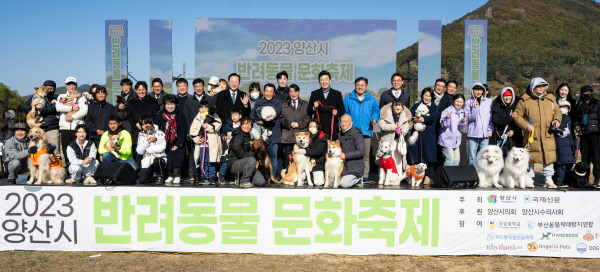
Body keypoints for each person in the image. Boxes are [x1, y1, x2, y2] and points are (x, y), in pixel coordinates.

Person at [514, 77, 561, 188]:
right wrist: (525, 125)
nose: (541, 88)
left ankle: (549, 180)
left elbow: (558, 111)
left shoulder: (550, 99)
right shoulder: (524, 100)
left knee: (548, 157)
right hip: (531, 135)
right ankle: (529, 179)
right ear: (532, 87)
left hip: (547, 134)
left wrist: (557, 120)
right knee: (530, 158)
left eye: (543, 85)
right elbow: (517, 116)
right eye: (538, 86)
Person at [343, 77, 380, 183]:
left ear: (366, 86)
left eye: (362, 85)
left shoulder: (371, 99)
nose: (360, 87)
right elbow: (345, 113)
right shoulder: (348, 99)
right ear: (355, 86)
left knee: (365, 155)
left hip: (366, 131)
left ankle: (364, 176)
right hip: (352, 132)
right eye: (358, 85)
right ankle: (351, 174)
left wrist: (374, 118)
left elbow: (376, 111)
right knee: (351, 154)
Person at [183, 78, 216, 181]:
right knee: (195, 155)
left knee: (209, 156)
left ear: (204, 87)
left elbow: (214, 116)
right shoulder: (189, 101)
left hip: (209, 133)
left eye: (200, 86)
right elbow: (187, 118)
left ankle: (210, 175)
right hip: (195, 133)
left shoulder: (210, 99)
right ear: (193, 88)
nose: (198, 88)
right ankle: (196, 175)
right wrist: (191, 133)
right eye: (196, 86)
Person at [154, 95, 187, 185]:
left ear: (176, 104)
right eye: (168, 104)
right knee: (168, 158)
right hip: (165, 141)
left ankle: (177, 175)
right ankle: (169, 175)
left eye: (172, 104)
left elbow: (183, 131)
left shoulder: (180, 115)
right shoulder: (161, 114)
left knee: (177, 157)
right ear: (164, 105)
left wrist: (178, 144)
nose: (170, 106)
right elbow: (155, 127)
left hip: (178, 140)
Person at [23, 80, 60, 158]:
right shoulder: (35, 97)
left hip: (51, 128)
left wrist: (40, 111)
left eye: (52, 88)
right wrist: (35, 107)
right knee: (37, 153)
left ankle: (56, 168)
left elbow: (54, 108)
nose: (49, 90)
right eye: (47, 88)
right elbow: (25, 107)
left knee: (54, 152)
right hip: (37, 130)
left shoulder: (57, 97)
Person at [251, 83, 282, 177]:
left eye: (271, 91)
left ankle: (273, 176)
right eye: (267, 91)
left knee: (273, 156)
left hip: (274, 133)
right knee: (261, 155)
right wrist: (256, 119)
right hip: (260, 134)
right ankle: (262, 176)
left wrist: (263, 122)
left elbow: (274, 116)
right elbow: (252, 115)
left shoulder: (278, 103)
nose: (268, 93)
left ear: (274, 93)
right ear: (264, 92)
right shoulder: (258, 102)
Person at [56, 76, 89, 164]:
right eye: (69, 85)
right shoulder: (61, 96)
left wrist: (72, 117)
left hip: (77, 127)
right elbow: (58, 107)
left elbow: (84, 111)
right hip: (65, 128)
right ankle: (68, 168)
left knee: (78, 149)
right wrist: (71, 108)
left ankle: (80, 168)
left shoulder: (81, 97)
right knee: (66, 149)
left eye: (73, 85)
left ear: (76, 86)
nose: (71, 87)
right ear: (66, 86)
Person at [572, 85, 600, 186]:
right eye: (587, 92)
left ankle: (597, 179)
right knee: (585, 159)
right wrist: (576, 126)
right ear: (582, 93)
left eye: (591, 92)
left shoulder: (597, 103)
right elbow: (574, 119)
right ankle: (585, 179)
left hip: (595, 134)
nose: (589, 94)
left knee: (597, 158)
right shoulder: (578, 105)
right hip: (583, 135)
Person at [190, 101, 222, 185]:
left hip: (212, 144)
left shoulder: (214, 115)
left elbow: (218, 125)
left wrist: (208, 127)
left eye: (205, 107)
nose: (203, 109)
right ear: (198, 109)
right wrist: (198, 139)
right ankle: (203, 176)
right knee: (202, 161)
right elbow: (192, 131)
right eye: (201, 108)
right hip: (201, 145)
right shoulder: (197, 118)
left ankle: (212, 176)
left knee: (211, 161)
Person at [280, 84, 310, 171]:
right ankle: (288, 176)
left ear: (298, 93)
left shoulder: (305, 104)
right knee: (288, 159)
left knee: (302, 159)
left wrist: (299, 124)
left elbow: (308, 117)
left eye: (295, 92)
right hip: (287, 137)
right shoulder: (283, 105)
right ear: (289, 93)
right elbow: (281, 118)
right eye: (291, 92)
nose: (293, 94)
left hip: (301, 137)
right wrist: (289, 124)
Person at [308, 70, 345, 140]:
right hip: (318, 127)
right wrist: (314, 107)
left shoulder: (337, 94)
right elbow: (309, 110)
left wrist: (337, 112)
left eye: (326, 79)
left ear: (330, 80)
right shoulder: (314, 94)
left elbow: (342, 110)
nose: (324, 82)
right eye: (321, 80)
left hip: (332, 127)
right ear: (319, 82)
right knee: (319, 148)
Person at [126, 81, 160, 157]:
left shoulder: (153, 101)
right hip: (136, 132)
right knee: (138, 156)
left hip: (150, 132)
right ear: (136, 90)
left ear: (146, 90)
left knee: (150, 156)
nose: (141, 92)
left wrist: (147, 125)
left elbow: (155, 115)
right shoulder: (131, 102)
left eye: (143, 89)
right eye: (139, 90)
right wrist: (135, 123)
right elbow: (129, 116)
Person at [408, 88, 439, 172]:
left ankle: (428, 176)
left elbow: (433, 117)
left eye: (429, 96)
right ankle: (415, 174)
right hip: (416, 133)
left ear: (432, 97)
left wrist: (422, 119)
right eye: (425, 95)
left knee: (428, 154)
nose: (427, 98)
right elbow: (411, 115)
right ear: (422, 95)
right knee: (415, 153)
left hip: (428, 133)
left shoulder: (434, 107)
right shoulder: (416, 106)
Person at [229, 117, 265, 188]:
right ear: (241, 125)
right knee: (252, 160)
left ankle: (240, 178)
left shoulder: (248, 136)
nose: (247, 127)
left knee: (261, 181)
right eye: (245, 124)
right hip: (235, 163)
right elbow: (240, 154)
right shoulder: (238, 136)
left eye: (249, 125)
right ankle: (244, 181)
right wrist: (253, 153)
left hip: (245, 163)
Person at [377, 98, 410, 172]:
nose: (398, 107)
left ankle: (396, 175)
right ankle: (385, 175)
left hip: (398, 141)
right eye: (396, 105)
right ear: (392, 106)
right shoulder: (386, 114)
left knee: (397, 159)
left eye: (400, 105)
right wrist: (393, 127)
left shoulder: (404, 115)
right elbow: (381, 125)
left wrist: (404, 131)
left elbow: (406, 125)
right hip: (387, 140)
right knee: (386, 159)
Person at [464, 82, 493, 165]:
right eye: (476, 89)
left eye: (480, 90)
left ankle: (482, 175)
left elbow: (490, 118)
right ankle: (471, 176)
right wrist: (475, 108)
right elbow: (468, 118)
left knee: (484, 156)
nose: (478, 92)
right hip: (473, 134)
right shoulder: (469, 102)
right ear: (472, 91)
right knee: (471, 156)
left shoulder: (488, 102)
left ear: (483, 91)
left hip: (485, 135)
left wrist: (490, 130)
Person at [294, 119, 328, 186]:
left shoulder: (322, 137)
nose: (311, 128)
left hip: (319, 163)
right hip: (310, 163)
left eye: (314, 126)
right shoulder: (307, 135)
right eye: (310, 126)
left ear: (318, 127)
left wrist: (304, 151)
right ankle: (309, 177)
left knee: (318, 182)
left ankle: (323, 175)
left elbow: (317, 151)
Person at [491, 87, 522, 156]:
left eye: (509, 95)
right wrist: (510, 117)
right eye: (505, 96)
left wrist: (514, 131)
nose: (507, 98)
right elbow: (496, 121)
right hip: (501, 137)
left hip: (515, 138)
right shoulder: (497, 105)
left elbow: (521, 122)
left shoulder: (518, 105)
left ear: (512, 96)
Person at [136, 116, 167, 185]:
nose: (146, 126)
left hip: (159, 158)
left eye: (147, 123)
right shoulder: (141, 136)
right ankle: (151, 176)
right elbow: (139, 151)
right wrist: (148, 141)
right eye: (143, 125)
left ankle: (160, 176)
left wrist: (148, 150)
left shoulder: (160, 133)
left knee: (157, 161)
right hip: (147, 161)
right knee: (141, 180)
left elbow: (162, 147)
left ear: (152, 123)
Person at [438, 94, 467, 166]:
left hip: (456, 140)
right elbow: (443, 125)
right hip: (446, 140)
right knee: (449, 160)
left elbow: (461, 127)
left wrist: (463, 122)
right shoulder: (447, 111)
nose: (459, 103)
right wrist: (447, 118)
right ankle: (447, 177)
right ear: (453, 101)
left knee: (456, 160)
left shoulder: (462, 112)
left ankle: (454, 177)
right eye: (457, 101)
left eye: (461, 102)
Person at [85, 86, 116, 153]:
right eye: (98, 93)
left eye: (103, 93)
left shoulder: (111, 108)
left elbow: (113, 122)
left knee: (105, 155)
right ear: (95, 95)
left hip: (107, 136)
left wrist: (105, 131)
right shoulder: (91, 107)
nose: (100, 95)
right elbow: (88, 120)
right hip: (93, 136)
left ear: (106, 94)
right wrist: (95, 129)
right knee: (93, 155)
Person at [338, 115, 366, 188]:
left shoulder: (356, 134)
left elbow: (361, 151)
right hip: (343, 167)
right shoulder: (339, 134)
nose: (343, 123)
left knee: (344, 184)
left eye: (346, 121)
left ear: (351, 122)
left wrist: (345, 155)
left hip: (355, 167)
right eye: (342, 122)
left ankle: (358, 179)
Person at [553, 100, 576, 188]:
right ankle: (559, 180)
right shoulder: (557, 118)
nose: (564, 109)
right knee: (561, 164)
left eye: (566, 107)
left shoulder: (570, 118)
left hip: (569, 144)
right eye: (562, 107)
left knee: (569, 164)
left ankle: (566, 180)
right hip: (561, 143)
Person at [218, 108, 242, 183]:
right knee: (226, 160)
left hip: (238, 147)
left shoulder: (242, 125)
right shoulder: (227, 125)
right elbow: (222, 132)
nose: (234, 117)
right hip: (228, 147)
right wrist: (223, 136)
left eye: (236, 115)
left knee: (236, 161)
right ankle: (221, 174)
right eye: (232, 115)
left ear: (240, 116)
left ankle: (234, 176)